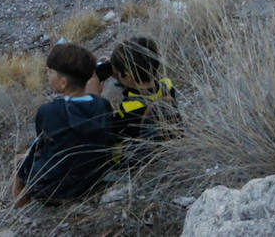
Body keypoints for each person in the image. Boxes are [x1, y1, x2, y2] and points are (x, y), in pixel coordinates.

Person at [13, 44, 114, 206]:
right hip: (94, 178)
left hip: (54, 188)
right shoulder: (102, 105)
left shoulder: (49, 111)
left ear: (63, 82)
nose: (48, 75)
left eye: (50, 72)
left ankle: (19, 208)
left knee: (21, 160)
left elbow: (44, 144)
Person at [92, 36, 180, 167]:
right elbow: (145, 87)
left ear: (127, 76)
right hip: (166, 140)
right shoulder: (167, 86)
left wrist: (94, 96)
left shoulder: (129, 107)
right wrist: (120, 74)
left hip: (133, 160)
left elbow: (110, 134)